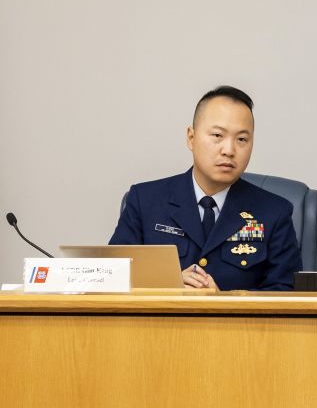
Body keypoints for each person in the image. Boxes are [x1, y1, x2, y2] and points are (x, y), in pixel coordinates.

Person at [110, 85, 302, 290]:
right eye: (217, 136)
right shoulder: (145, 201)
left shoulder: (274, 212)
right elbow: (111, 278)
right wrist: (168, 284)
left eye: (242, 139)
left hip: (236, 323)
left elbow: (287, 293)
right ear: (191, 138)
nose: (229, 150)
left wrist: (225, 302)